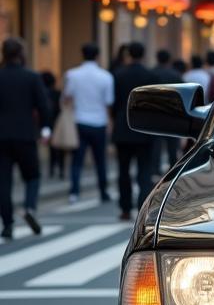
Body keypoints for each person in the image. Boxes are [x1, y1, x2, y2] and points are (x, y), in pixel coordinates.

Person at [0, 37, 50, 237]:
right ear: (21, 54)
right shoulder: (31, 77)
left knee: (3, 181)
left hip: (1, 137)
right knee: (33, 175)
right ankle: (30, 208)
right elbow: (43, 106)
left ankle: (8, 224)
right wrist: (46, 129)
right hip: (25, 134)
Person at [63, 43, 114, 203]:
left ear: (82, 55)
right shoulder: (106, 76)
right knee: (100, 160)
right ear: (98, 56)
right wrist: (110, 124)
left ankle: (74, 192)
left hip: (79, 121)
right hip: (99, 121)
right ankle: (103, 191)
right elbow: (108, 102)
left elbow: (67, 98)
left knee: (77, 160)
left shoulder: (72, 74)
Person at [112, 42, 156, 221]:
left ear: (128, 54)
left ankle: (124, 208)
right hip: (144, 127)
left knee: (123, 170)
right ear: (144, 55)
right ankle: (142, 208)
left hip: (123, 127)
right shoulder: (150, 75)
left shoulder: (118, 75)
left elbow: (114, 103)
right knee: (144, 171)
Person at [150, 49, 182, 171]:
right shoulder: (175, 74)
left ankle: (155, 169)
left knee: (156, 145)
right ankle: (173, 169)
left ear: (157, 58)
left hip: (155, 114)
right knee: (172, 145)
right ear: (168, 59)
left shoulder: (152, 73)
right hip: (172, 115)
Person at [40, 71, 65, 178]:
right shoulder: (58, 93)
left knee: (50, 147)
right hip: (58, 123)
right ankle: (61, 169)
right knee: (60, 147)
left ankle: (51, 169)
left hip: (46, 125)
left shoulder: (42, 93)